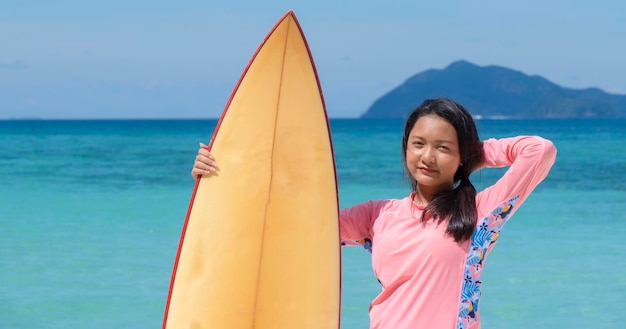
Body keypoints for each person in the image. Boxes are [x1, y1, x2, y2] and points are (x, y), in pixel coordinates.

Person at [190, 97, 557, 329]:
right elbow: (294, 226)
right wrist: (224, 177)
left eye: (443, 147)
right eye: (419, 144)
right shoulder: (377, 215)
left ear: (463, 155)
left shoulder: (480, 213)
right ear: (405, 148)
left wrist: (475, 152)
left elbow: (539, 151)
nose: (427, 156)